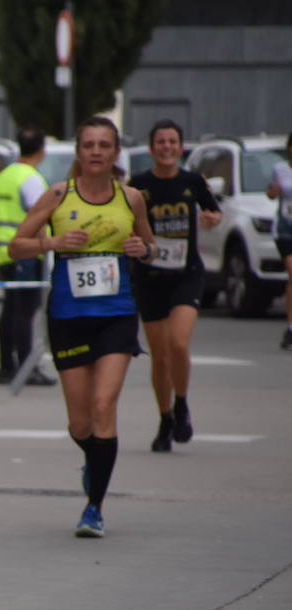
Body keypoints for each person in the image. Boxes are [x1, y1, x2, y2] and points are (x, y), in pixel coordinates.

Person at [9, 115, 156, 538]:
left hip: (116, 315)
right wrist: (52, 243)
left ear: (114, 153)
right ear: (78, 152)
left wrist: (141, 248)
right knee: (79, 424)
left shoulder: (131, 199)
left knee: (103, 406)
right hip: (69, 318)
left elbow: (151, 247)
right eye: (88, 145)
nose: (95, 152)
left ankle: (94, 508)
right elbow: (16, 244)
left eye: (103, 145)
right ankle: (94, 461)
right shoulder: (57, 195)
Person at [128, 119, 221, 450]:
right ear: (152, 148)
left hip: (186, 273)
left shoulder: (192, 181)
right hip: (151, 277)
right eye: (160, 142)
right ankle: (165, 418)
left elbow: (214, 212)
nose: (166, 147)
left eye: (172, 142)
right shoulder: (138, 185)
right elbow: (125, 222)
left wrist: (212, 218)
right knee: (160, 356)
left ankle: (181, 403)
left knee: (178, 343)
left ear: (180, 148)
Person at [0, 127, 54, 386]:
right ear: (42, 150)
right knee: (25, 312)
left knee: (10, 309)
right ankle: (26, 367)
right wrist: (46, 246)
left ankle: (6, 367)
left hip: (3, 251)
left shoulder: (5, 175)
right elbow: (37, 218)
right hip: (25, 253)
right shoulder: (32, 178)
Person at [266, 131, 292, 351]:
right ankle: (291, 326)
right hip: (286, 230)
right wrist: (273, 192)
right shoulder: (280, 170)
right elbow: (270, 194)